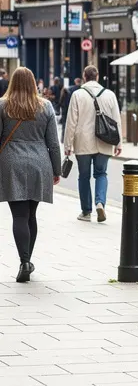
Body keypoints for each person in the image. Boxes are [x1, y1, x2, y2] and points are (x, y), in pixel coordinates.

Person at [0, 67, 62, 282]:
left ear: (13, 83)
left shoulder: (3, 106)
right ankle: (27, 260)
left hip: (11, 162)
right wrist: (57, 170)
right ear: (34, 83)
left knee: (19, 215)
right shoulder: (45, 106)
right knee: (31, 215)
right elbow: (53, 144)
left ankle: (24, 260)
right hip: (39, 163)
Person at [63, 66, 122, 223]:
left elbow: (71, 122)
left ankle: (86, 212)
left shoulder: (77, 95)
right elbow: (117, 120)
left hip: (83, 142)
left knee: (84, 176)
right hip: (105, 141)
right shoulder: (110, 95)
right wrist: (119, 143)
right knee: (101, 174)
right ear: (97, 77)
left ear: (84, 77)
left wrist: (67, 145)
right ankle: (100, 203)